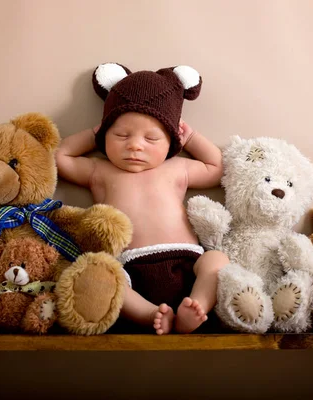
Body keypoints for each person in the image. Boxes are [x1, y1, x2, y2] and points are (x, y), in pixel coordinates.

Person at [55, 63, 229, 334]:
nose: (135, 145)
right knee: (104, 276)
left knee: (217, 260)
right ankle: (149, 315)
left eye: (151, 138)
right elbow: (61, 158)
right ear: (105, 137)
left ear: (171, 143)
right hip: (128, 267)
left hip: (187, 261)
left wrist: (191, 137)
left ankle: (196, 305)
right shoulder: (100, 171)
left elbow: (217, 169)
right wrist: (94, 133)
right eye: (121, 135)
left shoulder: (176, 168)